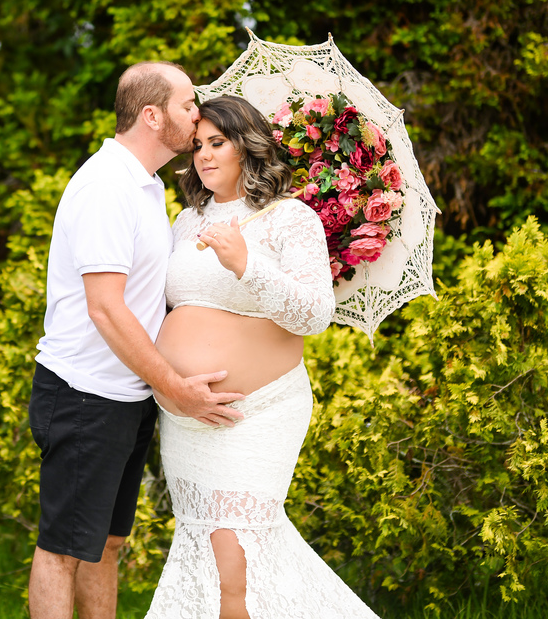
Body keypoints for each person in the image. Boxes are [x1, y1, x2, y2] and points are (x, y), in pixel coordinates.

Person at [145, 94, 379, 619]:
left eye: (218, 143)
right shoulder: (185, 222)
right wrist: (168, 388)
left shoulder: (290, 218)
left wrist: (247, 264)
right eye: (197, 145)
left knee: (236, 556)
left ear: (247, 147)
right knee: (206, 551)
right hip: (185, 418)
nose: (204, 156)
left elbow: (315, 314)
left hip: (259, 414)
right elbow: (164, 315)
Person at [28, 62, 247, 619]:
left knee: (105, 544)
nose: (197, 114)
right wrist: (176, 386)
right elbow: (106, 308)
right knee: (62, 551)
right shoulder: (106, 186)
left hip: (127, 397)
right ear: (151, 115)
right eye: (186, 105)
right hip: (84, 395)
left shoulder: (146, 186)